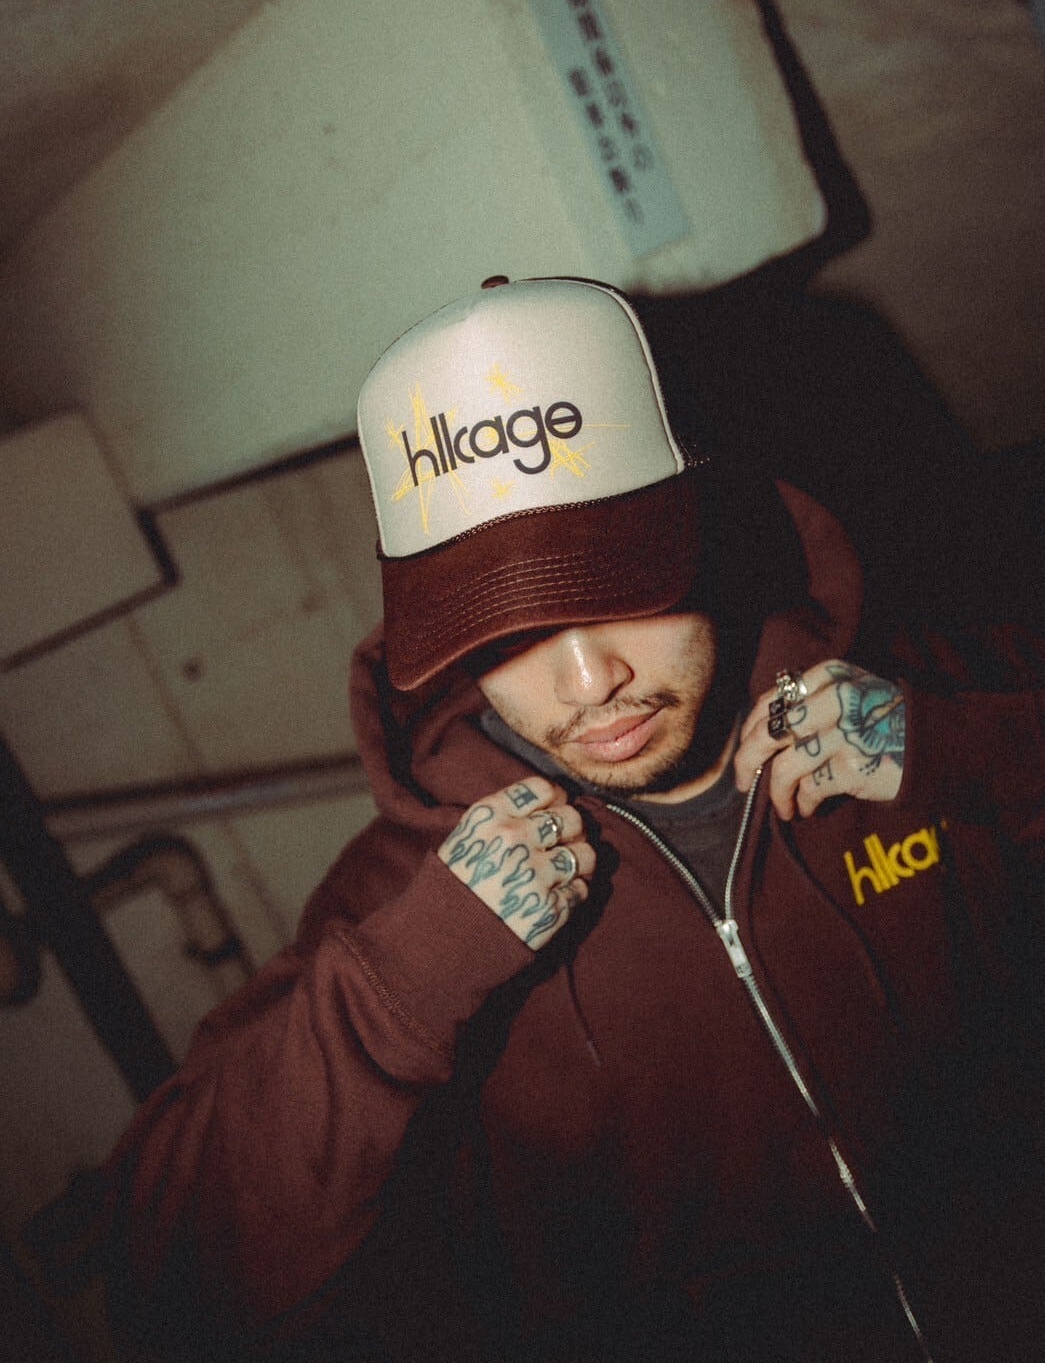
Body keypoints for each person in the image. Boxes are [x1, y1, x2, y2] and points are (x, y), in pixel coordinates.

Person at [106, 277, 1043, 1363]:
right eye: (504, 632)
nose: (591, 682)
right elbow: (169, 1279)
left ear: (705, 529)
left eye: (625, 588)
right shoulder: (400, 903)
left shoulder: (934, 704)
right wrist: (412, 976)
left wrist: (971, 756)